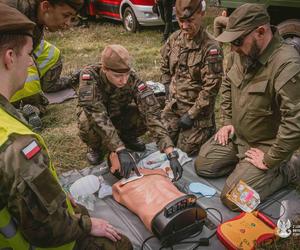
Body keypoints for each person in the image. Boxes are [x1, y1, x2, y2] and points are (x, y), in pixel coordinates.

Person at [0, 4, 132, 249]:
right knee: (120, 244)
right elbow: (48, 229)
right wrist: (87, 225)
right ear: (10, 57)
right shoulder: (16, 144)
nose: (31, 62)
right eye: (29, 53)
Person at [194, 3, 300, 211]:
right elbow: (227, 84)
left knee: (234, 198)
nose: (233, 48)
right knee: (203, 165)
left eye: (238, 41)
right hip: (240, 137)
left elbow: (295, 122)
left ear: (260, 32)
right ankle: (248, 170)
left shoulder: (287, 64)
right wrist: (227, 122)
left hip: (267, 144)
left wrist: (271, 159)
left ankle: (289, 168)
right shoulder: (241, 52)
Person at [77, 44, 183, 180]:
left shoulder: (132, 79)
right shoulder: (89, 76)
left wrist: (170, 153)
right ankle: (95, 147)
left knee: (144, 113)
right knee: (86, 121)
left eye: (126, 74)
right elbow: (96, 115)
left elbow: (152, 114)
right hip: (97, 118)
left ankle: (128, 137)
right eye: (117, 76)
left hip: (118, 114)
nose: (124, 80)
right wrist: (120, 149)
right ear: (104, 69)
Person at [1, 0, 84, 130]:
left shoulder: (33, 22)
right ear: (45, 6)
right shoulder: (11, 12)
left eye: (71, 18)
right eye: (65, 15)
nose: (68, 23)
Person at [160, 0, 223, 156]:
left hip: (197, 114)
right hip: (173, 107)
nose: (185, 26)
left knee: (184, 152)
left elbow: (211, 89)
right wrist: (167, 88)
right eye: (181, 21)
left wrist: (191, 115)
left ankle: (206, 131)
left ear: (201, 14)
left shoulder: (211, 47)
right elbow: (165, 67)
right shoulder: (174, 39)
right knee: (163, 143)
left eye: (190, 21)